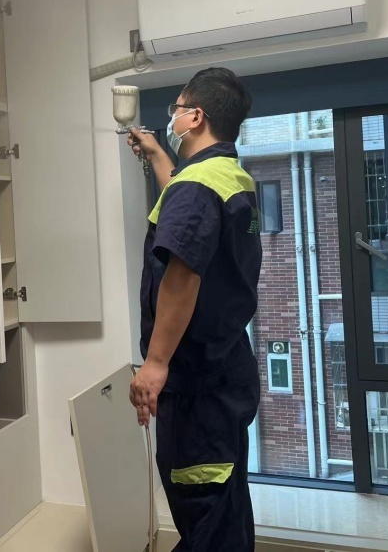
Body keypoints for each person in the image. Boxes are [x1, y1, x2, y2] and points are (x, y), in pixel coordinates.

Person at [128, 67, 262, 551]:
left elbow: (183, 277)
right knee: (225, 506)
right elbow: (183, 196)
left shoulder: (196, 188)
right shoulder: (228, 176)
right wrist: (155, 152)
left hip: (196, 387)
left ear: (196, 116)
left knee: (205, 515)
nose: (173, 116)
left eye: (178, 108)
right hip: (225, 371)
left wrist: (155, 363)